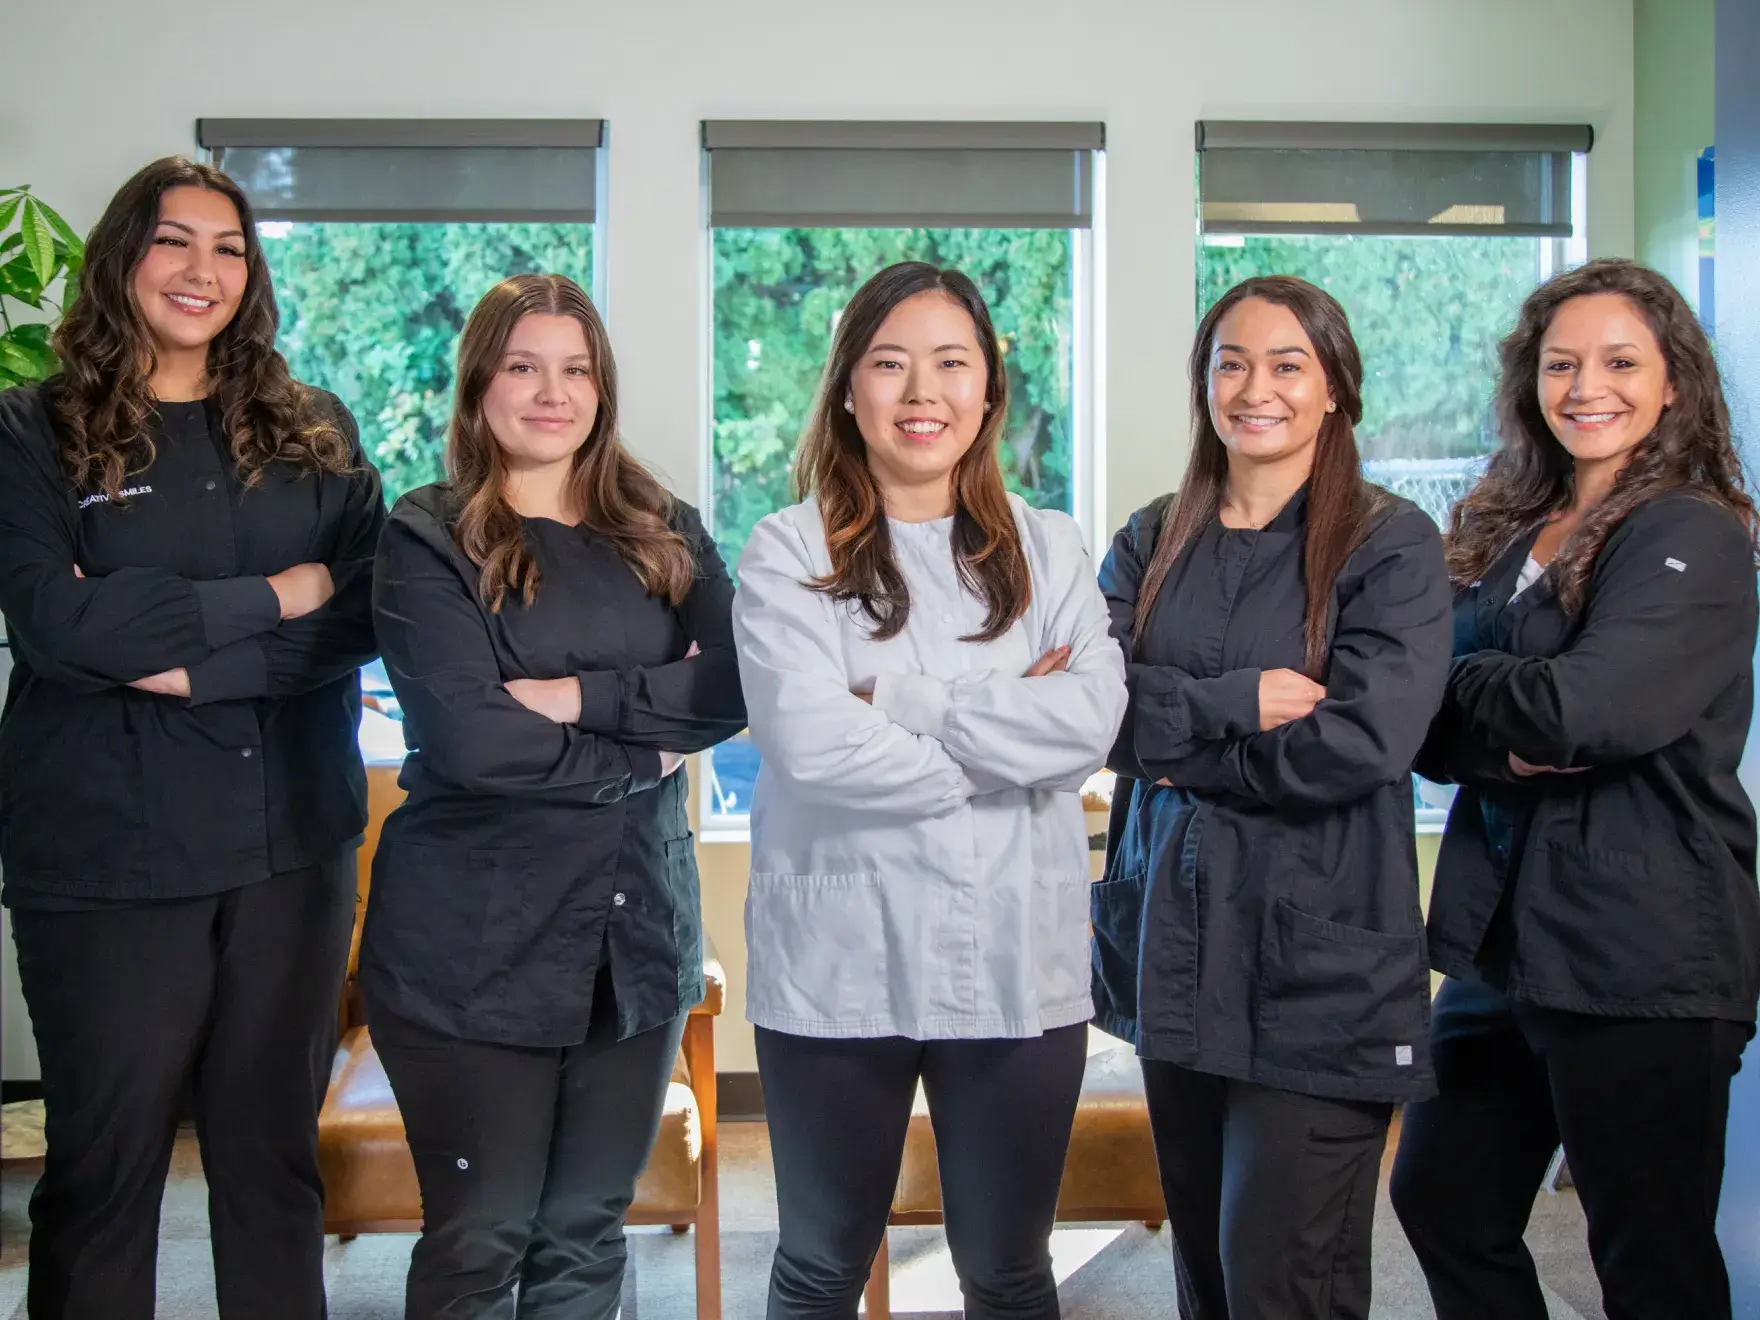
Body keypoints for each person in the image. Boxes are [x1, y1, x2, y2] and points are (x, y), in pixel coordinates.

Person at [0, 156, 384, 1320]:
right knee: (102, 1175)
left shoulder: (312, 428)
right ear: (124, 256)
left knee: (271, 1170)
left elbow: (368, 607)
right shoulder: (36, 428)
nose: (201, 269)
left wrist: (179, 659)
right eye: (174, 240)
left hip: (291, 851)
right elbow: (52, 620)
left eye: (228, 247)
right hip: (106, 860)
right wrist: (279, 594)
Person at [732, 261, 1127, 1320]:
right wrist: (1006, 728)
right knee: (819, 1263)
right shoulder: (785, 551)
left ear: (988, 391)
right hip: (837, 963)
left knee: (1006, 1268)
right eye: (889, 364)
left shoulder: (1049, 547)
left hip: (1013, 957)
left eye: (950, 364)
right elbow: (809, 745)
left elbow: (1087, 727)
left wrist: (896, 696)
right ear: (847, 390)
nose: (922, 393)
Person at [360, 272, 745, 1319]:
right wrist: (643, 750)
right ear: (479, 381)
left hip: (636, 941)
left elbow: (736, 682)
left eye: (574, 369)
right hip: (472, 947)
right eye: (522, 366)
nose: (550, 392)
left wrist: (577, 697)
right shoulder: (425, 537)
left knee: (585, 1235)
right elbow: (474, 740)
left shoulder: (662, 523)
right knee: (482, 1238)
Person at [1389, 258, 1760, 1320]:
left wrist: (1478, 702)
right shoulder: (1505, 529)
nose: (1583, 386)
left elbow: (1594, 711)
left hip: (1642, 949)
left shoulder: (1693, 530)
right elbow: (1416, 721)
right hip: (1499, 946)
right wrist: (1492, 712)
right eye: (1560, 364)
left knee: (1646, 1254)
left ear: (1672, 383)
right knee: (1441, 1200)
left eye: (1616, 361)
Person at [1093, 275, 1451, 1320]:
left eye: (1287, 364)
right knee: (1203, 1276)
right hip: (1174, 948)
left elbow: (1361, 743)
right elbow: (1087, 714)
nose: (1256, 388)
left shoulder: (1389, 546)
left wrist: (1169, 748)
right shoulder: (1151, 538)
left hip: (1316, 971)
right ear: (1202, 383)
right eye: (1231, 363)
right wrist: (1232, 702)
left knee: (1278, 1282)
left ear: (1333, 387)